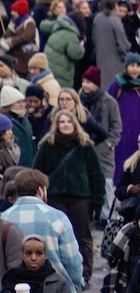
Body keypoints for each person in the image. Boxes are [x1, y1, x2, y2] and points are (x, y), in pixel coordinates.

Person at [31, 110, 104, 278]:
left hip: (80, 198)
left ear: (74, 124)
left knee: (82, 236)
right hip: (55, 198)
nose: (65, 125)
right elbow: (37, 172)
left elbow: (96, 175)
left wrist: (97, 201)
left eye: (68, 122)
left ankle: (84, 274)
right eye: (62, 122)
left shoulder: (84, 145)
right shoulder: (47, 145)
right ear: (56, 124)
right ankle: (57, 272)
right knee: (55, 236)